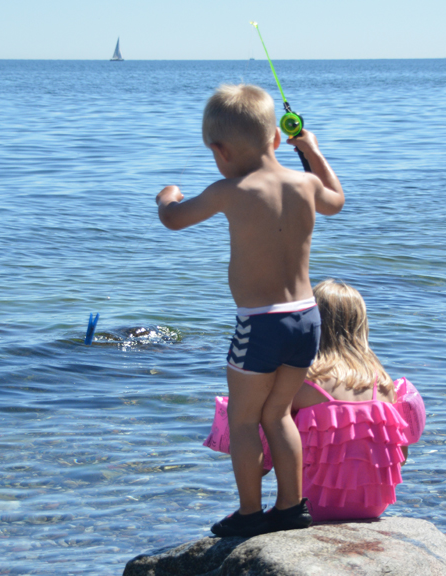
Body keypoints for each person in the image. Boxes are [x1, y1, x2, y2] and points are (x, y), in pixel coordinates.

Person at [157, 84, 345, 537]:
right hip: (307, 318)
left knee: (244, 419)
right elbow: (336, 202)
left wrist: (167, 196)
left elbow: (174, 219)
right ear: (277, 140)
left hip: (259, 324)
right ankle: (291, 507)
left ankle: (248, 515)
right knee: (278, 414)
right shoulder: (304, 182)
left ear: (219, 150)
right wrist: (314, 151)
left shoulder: (228, 189)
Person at [204, 279, 426, 523]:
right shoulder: (383, 384)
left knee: (264, 415)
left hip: (312, 507)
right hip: (373, 507)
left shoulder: (305, 380)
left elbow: (264, 460)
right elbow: (399, 457)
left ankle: (262, 509)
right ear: (361, 325)